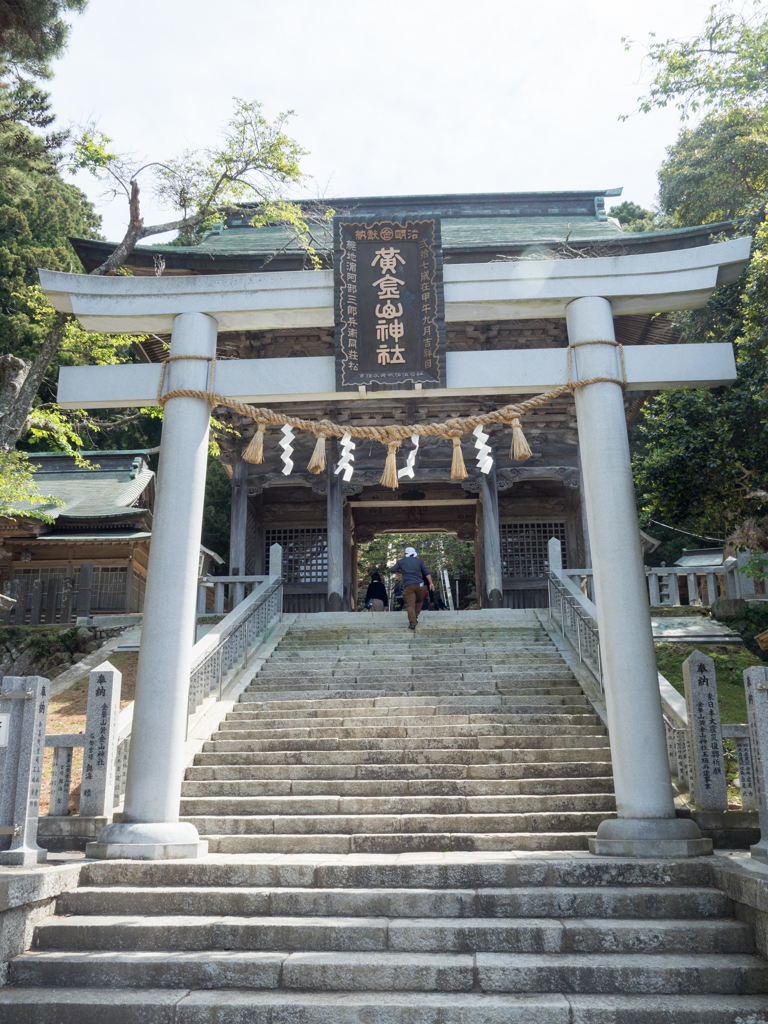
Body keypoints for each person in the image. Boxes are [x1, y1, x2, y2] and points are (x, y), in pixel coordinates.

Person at [390, 546, 435, 630]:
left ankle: (412, 623)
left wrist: (401, 571)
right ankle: (415, 618)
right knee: (419, 601)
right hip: (420, 585)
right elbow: (427, 573)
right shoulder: (419, 561)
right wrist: (431, 583)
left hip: (408, 585)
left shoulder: (401, 561)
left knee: (411, 604)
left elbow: (392, 570)